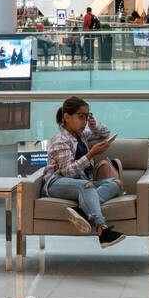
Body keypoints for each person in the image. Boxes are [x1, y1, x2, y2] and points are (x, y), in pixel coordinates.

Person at [40, 96, 128, 248]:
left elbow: (105, 133)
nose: (85, 121)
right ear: (67, 117)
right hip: (56, 182)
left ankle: (81, 211)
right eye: (81, 117)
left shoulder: (81, 135)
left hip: (80, 181)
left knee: (116, 183)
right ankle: (102, 230)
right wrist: (90, 154)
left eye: (87, 117)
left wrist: (93, 125)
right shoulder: (60, 139)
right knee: (86, 186)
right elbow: (67, 172)